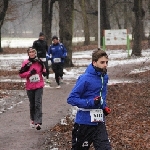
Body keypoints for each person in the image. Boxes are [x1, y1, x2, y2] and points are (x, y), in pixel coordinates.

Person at [67, 49, 112, 150]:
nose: (105, 65)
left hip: (99, 122)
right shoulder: (85, 78)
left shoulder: (104, 77)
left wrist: (103, 107)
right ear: (94, 62)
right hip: (84, 123)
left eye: (106, 62)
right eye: (102, 62)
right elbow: (71, 99)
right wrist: (91, 102)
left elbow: (101, 95)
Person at [19, 48, 47, 130]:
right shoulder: (26, 63)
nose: (32, 53)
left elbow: (44, 70)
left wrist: (45, 72)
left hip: (39, 85)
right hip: (29, 86)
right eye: (30, 52)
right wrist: (29, 73)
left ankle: (38, 122)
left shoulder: (39, 62)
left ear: (35, 53)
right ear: (28, 54)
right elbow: (21, 74)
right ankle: (32, 119)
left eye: (33, 52)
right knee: (32, 104)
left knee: (38, 103)